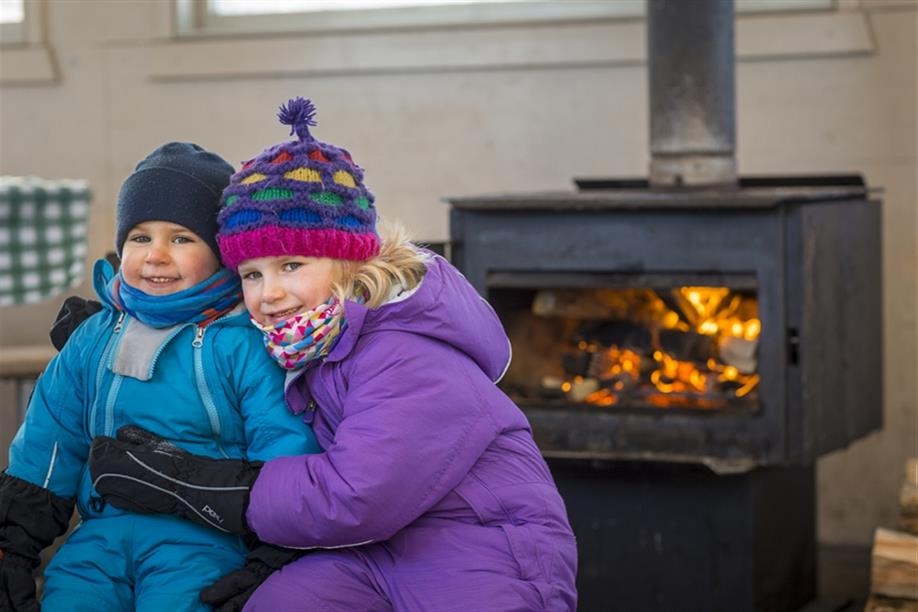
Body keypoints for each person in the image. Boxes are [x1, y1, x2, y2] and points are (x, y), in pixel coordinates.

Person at [88, 98, 579, 611]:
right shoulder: (303, 341)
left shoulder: (409, 351)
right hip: (369, 552)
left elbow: (358, 496)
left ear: (350, 261)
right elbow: (205, 342)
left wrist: (198, 485)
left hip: (480, 546)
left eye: (291, 265)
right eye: (252, 274)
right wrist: (111, 327)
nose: (270, 293)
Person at [0, 142, 320, 611]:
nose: (156, 255)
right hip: (97, 540)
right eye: (140, 237)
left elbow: (282, 443)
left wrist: (274, 552)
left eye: (181, 239)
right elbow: (49, 443)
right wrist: (12, 545)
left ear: (220, 253)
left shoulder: (242, 342)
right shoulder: (93, 337)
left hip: (201, 543)